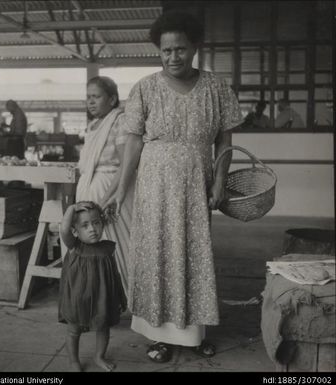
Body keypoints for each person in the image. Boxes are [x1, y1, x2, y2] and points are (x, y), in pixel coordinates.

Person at [104, 10, 244, 363]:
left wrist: (220, 180)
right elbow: (133, 142)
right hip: (154, 185)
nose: (173, 57)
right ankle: (158, 336)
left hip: (196, 183)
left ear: (195, 46)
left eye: (180, 49)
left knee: (193, 254)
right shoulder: (145, 88)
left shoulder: (217, 87)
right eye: (166, 51)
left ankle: (194, 335)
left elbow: (224, 140)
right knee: (156, 255)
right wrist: (121, 191)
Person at [75, 76, 134, 295]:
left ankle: (127, 296)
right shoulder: (92, 125)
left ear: (112, 99)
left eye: (96, 97)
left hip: (112, 189)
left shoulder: (120, 120)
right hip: (89, 187)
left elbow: (126, 163)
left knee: (116, 244)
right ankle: (101, 298)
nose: (90, 102)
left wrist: (107, 198)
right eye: (88, 97)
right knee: (92, 244)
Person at [58, 201, 126, 372]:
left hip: (102, 297)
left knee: (103, 327)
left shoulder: (107, 249)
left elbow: (114, 275)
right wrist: (71, 209)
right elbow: (64, 230)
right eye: (85, 225)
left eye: (96, 223)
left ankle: (99, 356)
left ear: (102, 224)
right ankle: (74, 361)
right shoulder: (74, 246)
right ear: (75, 231)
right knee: (74, 330)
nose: (92, 229)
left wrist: (119, 296)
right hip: (78, 298)